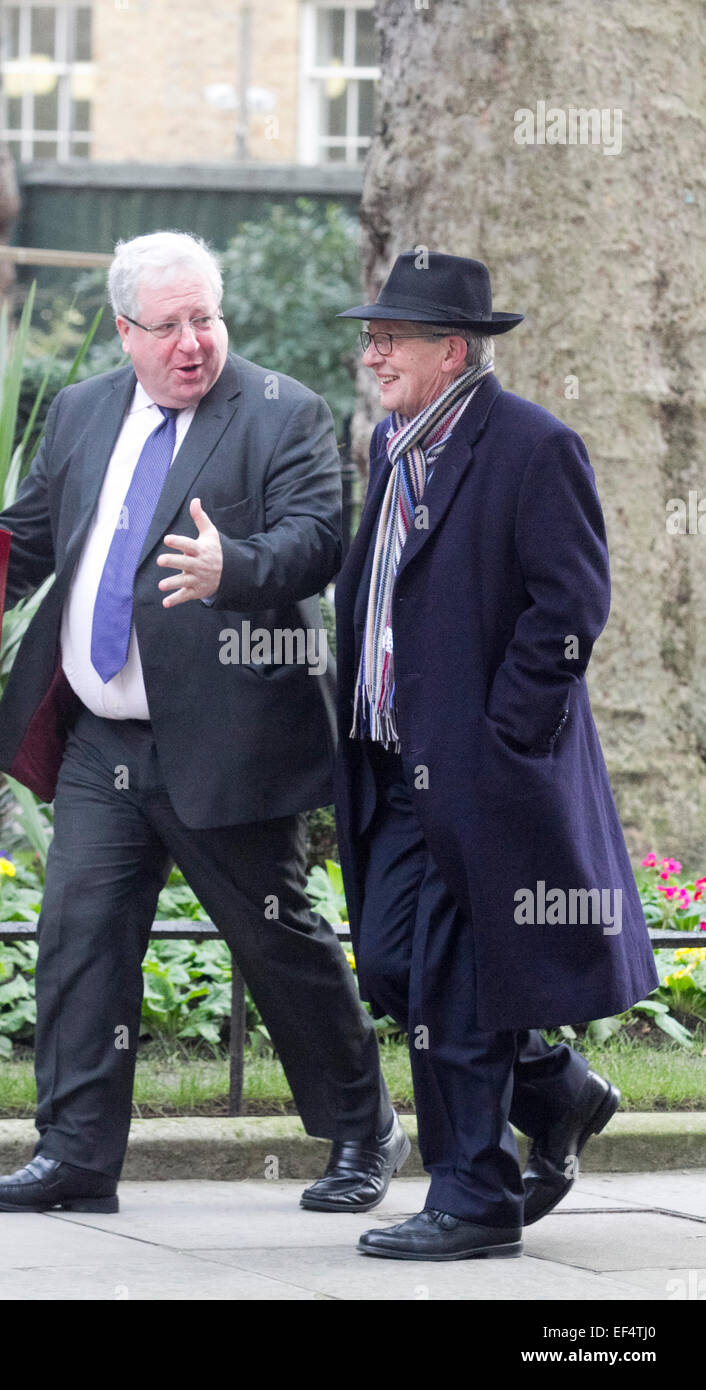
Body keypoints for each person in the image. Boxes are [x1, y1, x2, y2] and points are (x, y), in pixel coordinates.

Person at [0, 230, 408, 1216]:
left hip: (228, 737)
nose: (192, 343)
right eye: (168, 325)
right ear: (124, 330)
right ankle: (76, 1156)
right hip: (104, 738)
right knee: (81, 936)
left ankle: (363, 1127)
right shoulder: (83, 410)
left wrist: (238, 568)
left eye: (206, 319)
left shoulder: (280, 413)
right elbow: (26, 540)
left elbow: (315, 541)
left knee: (277, 943)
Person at [332, 251, 658, 1261]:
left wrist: (499, 737)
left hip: (477, 773)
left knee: (449, 983)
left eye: (392, 337)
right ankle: (553, 1089)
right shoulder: (392, 444)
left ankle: (473, 1198)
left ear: (452, 350)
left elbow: (569, 606)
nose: (372, 352)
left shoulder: (530, 447)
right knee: (391, 966)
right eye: (370, 335)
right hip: (389, 764)